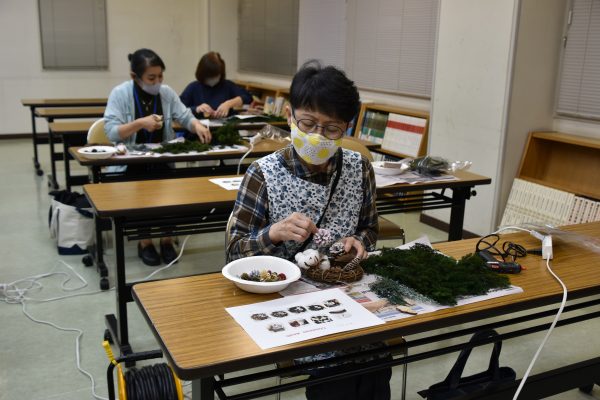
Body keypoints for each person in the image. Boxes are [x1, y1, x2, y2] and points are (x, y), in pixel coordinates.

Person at [226, 61, 390, 400]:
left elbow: (369, 227)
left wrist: (358, 242)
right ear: (289, 115)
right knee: (336, 374)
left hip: (345, 291)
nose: (317, 136)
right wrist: (273, 233)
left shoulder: (359, 168)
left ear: (347, 127)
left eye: (331, 128)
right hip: (292, 306)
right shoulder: (263, 174)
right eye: (308, 123)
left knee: (375, 364)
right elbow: (233, 252)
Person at [104, 48, 211, 267]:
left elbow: (185, 116)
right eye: (151, 78)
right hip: (132, 162)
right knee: (139, 197)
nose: (157, 82)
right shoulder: (120, 93)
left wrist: (197, 125)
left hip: (163, 158)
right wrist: (140, 123)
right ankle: (145, 242)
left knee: (170, 198)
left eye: (160, 76)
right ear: (135, 76)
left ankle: (167, 240)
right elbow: (111, 132)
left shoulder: (166, 93)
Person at [180, 51, 252, 118]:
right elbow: (178, 109)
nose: (212, 79)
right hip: (198, 126)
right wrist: (197, 109)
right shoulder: (193, 87)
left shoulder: (227, 85)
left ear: (221, 73)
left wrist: (229, 104)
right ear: (202, 74)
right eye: (209, 77)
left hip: (224, 126)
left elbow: (248, 97)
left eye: (215, 76)